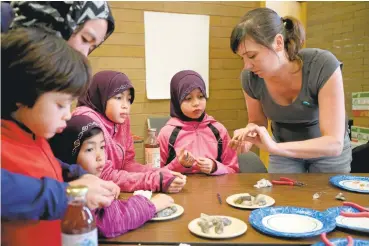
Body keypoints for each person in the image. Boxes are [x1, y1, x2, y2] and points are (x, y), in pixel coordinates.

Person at [1, 1, 118, 221]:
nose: (84, 56)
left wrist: (74, 175)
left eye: (92, 47)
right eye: (84, 39)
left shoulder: (31, 125)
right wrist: (69, 194)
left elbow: (37, 162)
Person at [1, 27, 102, 246]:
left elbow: (41, 166)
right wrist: (68, 195)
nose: (68, 114)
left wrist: (75, 176)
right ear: (23, 92)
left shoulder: (34, 135)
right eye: (60, 104)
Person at [229, 8, 351, 173]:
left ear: (278, 43)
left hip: (326, 153)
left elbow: (334, 143)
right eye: (241, 58)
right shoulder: (250, 78)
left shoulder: (322, 65)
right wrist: (249, 136)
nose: (246, 66)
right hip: (283, 151)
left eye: (251, 56)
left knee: (327, 196)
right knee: (282, 197)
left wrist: (275, 148)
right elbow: (257, 121)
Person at [51, 115, 175, 238]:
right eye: (89, 149)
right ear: (68, 155)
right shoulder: (73, 192)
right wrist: (151, 205)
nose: (100, 156)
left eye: (102, 147)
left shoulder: (78, 177)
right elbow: (109, 220)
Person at [72, 70, 187, 192]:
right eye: (118, 98)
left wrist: (161, 173)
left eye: (129, 99)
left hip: (112, 192)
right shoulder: (87, 120)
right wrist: (155, 180)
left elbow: (127, 163)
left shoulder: (121, 119)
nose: (125, 105)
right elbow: (103, 176)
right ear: (101, 95)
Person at [158, 70, 239, 175]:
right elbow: (154, 174)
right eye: (188, 98)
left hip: (215, 190)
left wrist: (215, 167)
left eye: (201, 96)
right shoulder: (166, 134)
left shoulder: (219, 130)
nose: (196, 103)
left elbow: (233, 170)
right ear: (177, 101)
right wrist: (179, 164)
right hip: (179, 189)